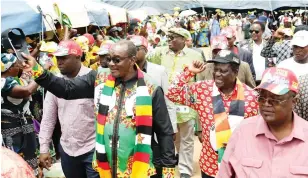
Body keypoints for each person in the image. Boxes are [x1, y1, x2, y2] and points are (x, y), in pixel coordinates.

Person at [24, 40, 177, 178]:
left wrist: (169, 168)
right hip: (106, 164)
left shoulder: (151, 88)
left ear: (132, 60)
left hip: (137, 164)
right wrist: (39, 72)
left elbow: (164, 131)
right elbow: (67, 89)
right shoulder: (99, 78)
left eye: (117, 60)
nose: (111, 64)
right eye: (109, 59)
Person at [167, 50, 259, 178]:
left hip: (239, 167)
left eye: (223, 71)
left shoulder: (251, 97)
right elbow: (172, 93)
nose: (217, 74)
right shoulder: (202, 90)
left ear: (236, 72)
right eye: (215, 70)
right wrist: (189, 71)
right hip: (210, 166)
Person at [216, 67, 308, 178]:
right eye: (262, 97)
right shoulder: (243, 131)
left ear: (294, 102)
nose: (266, 104)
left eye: (275, 99)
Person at [147, 27, 204, 178]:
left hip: (186, 104)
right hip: (166, 102)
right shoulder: (160, 53)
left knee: (187, 138)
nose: (169, 40)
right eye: (168, 37)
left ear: (183, 40)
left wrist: (200, 117)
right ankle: (179, 159)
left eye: (173, 37)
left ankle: (185, 170)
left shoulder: (195, 56)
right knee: (174, 136)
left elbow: (199, 82)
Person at [38, 40, 98, 178]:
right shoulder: (55, 84)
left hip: (92, 148)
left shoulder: (93, 79)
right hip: (67, 150)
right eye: (57, 58)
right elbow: (48, 119)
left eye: (64, 58)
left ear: (78, 57)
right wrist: (44, 149)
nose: (59, 62)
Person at [129, 35, 177, 177]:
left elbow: (168, 101)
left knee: (157, 160)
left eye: (137, 49)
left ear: (145, 50)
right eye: (131, 50)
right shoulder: (124, 74)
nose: (134, 53)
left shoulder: (158, 71)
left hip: (157, 123)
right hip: (135, 126)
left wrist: (172, 127)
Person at [1, 53, 40, 176]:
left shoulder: (13, 80)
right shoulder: (4, 83)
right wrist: (40, 74)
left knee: (28, 161)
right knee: (16, 164)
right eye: (16, 64)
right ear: (11, 68)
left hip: (23, 129)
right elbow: (27, 91)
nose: (20, 66)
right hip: (13, 131)